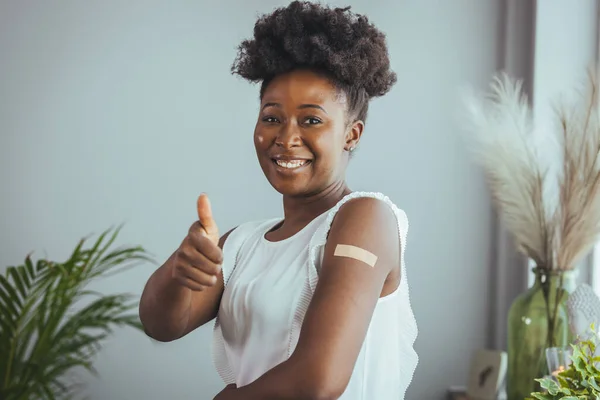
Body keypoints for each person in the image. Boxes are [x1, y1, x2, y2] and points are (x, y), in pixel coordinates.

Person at [139, 1, 418, 399]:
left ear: (351, 135)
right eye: (272, 117)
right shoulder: (240, 244)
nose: (286, 137)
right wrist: (180, 272)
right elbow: (161, 325)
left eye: (311, 120)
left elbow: (318, 380)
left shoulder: (366, 218)